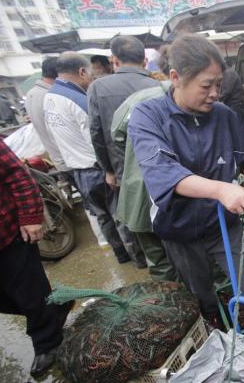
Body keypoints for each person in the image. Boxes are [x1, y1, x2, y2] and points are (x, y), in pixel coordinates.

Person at [129, 34, 244, 345]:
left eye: (219, 84)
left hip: (224, 224)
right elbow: (164, 174)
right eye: (206, 85)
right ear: (176, 78)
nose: (215, 93)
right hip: (179, 228)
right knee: (201, 293)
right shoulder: (148, 117)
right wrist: (220, 190)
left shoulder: (224, 115)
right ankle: (218, 341)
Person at [44, 52, 141, 267]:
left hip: (77, 171)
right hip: (96, 169)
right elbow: (96, 139)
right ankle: (138, 259)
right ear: (82, 71)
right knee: (120, 215)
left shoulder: (49, 97)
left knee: (102, 215)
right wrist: (110, 169)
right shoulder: (78, 100)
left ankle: (120, 255)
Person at [0, 131, 72, 377]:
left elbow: (17, 173)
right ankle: (55, 308)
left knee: (30, 292)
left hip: (6, 234)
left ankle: (48, 342)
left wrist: (30, 217)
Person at [88, 36, 160, 269]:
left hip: (124, 170)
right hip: (162, 168)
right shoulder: (159, 85)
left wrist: (108, 169)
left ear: (114, 60)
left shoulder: (98, 87)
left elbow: (97, 132)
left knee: (133, 221)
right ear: (145, 60)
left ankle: (143, 263)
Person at [111, 51, 176, 282]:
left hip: (138, 187)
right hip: (173, 189)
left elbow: (116, 135)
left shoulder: (133, 102)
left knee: (157, 259)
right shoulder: (181, 97)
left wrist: (134, 153)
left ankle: (174, 307)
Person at [25, 57, 68, 173]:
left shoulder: (31, 94)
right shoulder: (51, 96)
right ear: (60, 74)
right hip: (69, 159)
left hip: (58, 159)